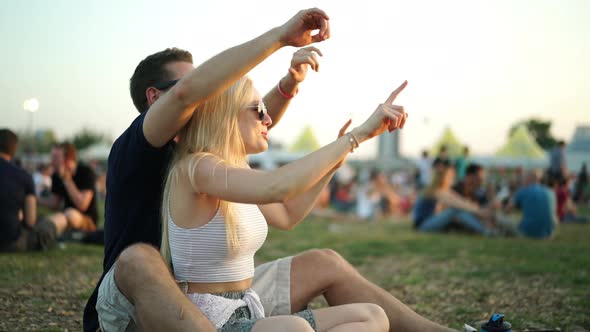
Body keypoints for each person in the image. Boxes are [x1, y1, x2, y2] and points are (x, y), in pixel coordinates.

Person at [84, 9, 454, 332]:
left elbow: (244, 123)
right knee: (138, 259)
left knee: (325, 264)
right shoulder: (144, 146)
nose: (210, 90)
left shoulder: (215, 155)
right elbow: (206, 105)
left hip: (226, 296)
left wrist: (289, 86)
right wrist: (280, 38)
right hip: (147, 300)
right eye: (201, 84)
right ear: (155, 98)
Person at [160, 73, 405, 330]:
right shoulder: (197, 167)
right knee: (297, 329)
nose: (268, 119)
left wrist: (337, 160)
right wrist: (356, 136)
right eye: (259, 109)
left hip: (246, 309)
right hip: (207, 322)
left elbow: (288, 215)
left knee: (373, 316)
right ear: (226, 114)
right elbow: (277, 187)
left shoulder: (233, 171)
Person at [0, 129, 61, 252]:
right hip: (10, 242)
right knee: (48, 222)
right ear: (14, 148)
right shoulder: (24, 176)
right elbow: (30, 221)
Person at [413, 165, 493, 235]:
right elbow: (456, 204)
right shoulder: (436, 191)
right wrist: (479, 211)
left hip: (430, 221)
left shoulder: (443, 190)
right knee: (453, 210)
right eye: (450, 177)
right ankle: (485, 231)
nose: (452, 179)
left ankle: (487, 229)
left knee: (457, 210)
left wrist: (478, 209)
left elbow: (460, 201)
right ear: (443, 178)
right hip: (423, 226)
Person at [39, 142, 99, 233]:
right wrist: (33, 198)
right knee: (63, 215)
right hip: (66, 216)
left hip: (87, 220)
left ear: (68, 160)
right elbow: (54, 203)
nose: (52, 161)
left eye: (55, 158)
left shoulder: (86, 172)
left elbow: (82, 205)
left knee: (70, 214)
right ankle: (43, 229)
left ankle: (45, 229)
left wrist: (66, 178)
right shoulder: (56, 176)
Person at [503, 170, 558, 239]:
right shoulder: (550, 191)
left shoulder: (523, 191)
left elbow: (507, 210)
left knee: (501, 218)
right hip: (550, 232)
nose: (522, 181)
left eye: (523, 178)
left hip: (528, 232)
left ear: (528, 179)